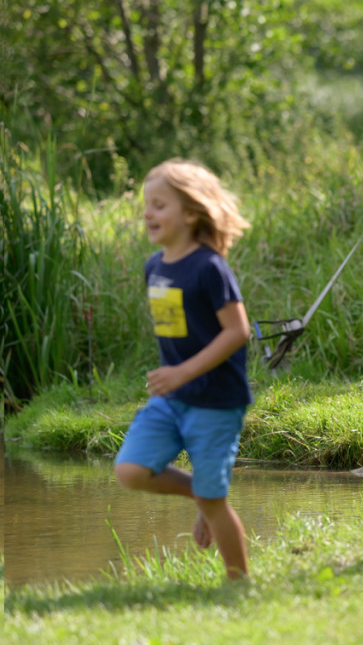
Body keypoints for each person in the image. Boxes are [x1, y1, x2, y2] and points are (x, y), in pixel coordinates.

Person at [114, 158, 253, 580]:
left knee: (216, 503)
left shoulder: (210, 267)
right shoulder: (153, 267)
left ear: (191, 213)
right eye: (146, 204)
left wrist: (182, 372)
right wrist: (174, 379)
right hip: (172, 397)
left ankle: (238, 581)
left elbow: (238, 331)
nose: (147, 213)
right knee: (131, 470)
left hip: (215, 402)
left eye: (159, 205)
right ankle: (200, 492)